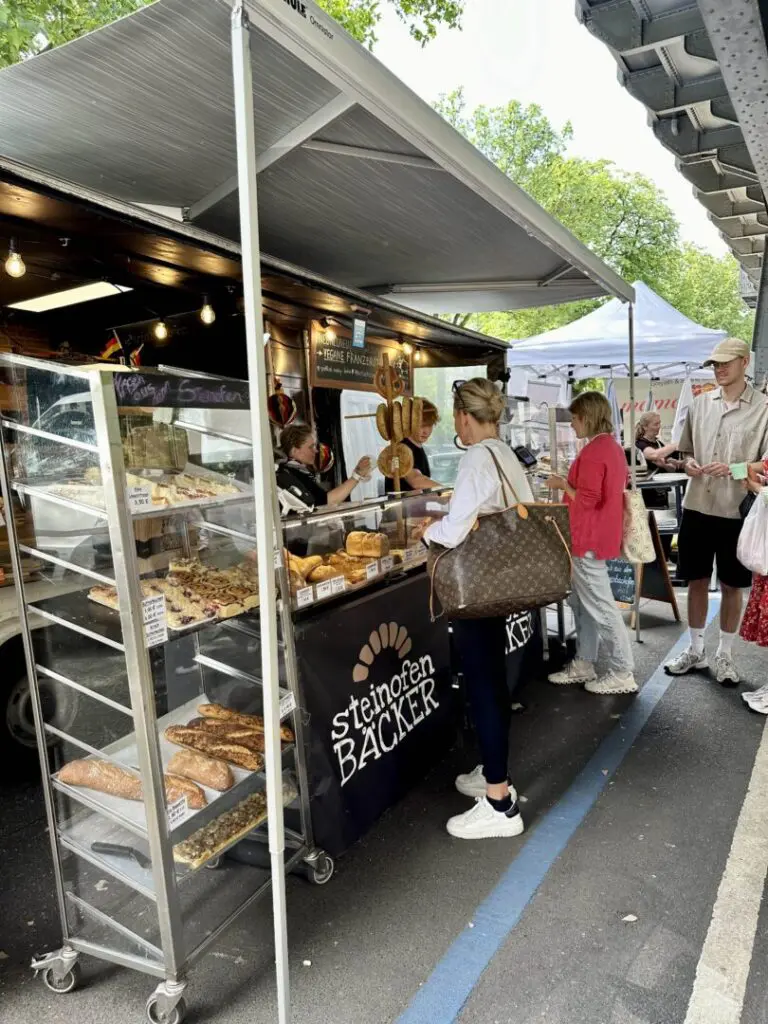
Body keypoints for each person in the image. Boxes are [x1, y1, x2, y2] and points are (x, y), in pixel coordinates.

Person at [421, 378, 533, 841]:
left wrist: (429, 531)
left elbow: (457, 527)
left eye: (455, 419)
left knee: (483, 684)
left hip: (478, 589)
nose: (456, 427)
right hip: (503, 580)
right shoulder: (503, 452)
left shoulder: (476, 457)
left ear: (464, 416)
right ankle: (493, 768)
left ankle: (499, 801)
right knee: (491, 680)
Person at [665, 338, 768, 685]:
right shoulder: (699, 405)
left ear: (744, 362)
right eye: (714, 364)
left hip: (736, 511)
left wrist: (736, 469)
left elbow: (766, 466)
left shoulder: (764, 408)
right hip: (696, 505)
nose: (719, 368)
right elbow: (685, 451)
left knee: (732, 585)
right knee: (694, 579)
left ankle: (725, 653)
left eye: (725, 362)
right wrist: (690, 463)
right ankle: (695, 649)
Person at [544, 390, 636, 695]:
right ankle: (585, 662)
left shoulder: (596, 451)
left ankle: (622, 671)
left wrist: (561, 484)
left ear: (587, 417)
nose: (572, 424)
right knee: (585, 604)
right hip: (598, 536)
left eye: (575, 418)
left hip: (587, 537)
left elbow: (587, 498)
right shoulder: (610, 447)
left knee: (599, 605)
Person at [276, 423, 371, 507]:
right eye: (311, 447)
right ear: (295, 451)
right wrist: (357, 476)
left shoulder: (294, 471)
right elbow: (328, 501)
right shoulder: (291, 475)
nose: (316, 451)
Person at [383, 397, 442, 492]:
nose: (426, 431)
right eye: (422, 425)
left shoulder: (417, 447)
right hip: (400, 506)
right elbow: (416, 481)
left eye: (429, 425)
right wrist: (446, 490)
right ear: (409, 423)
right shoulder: (401, 449)